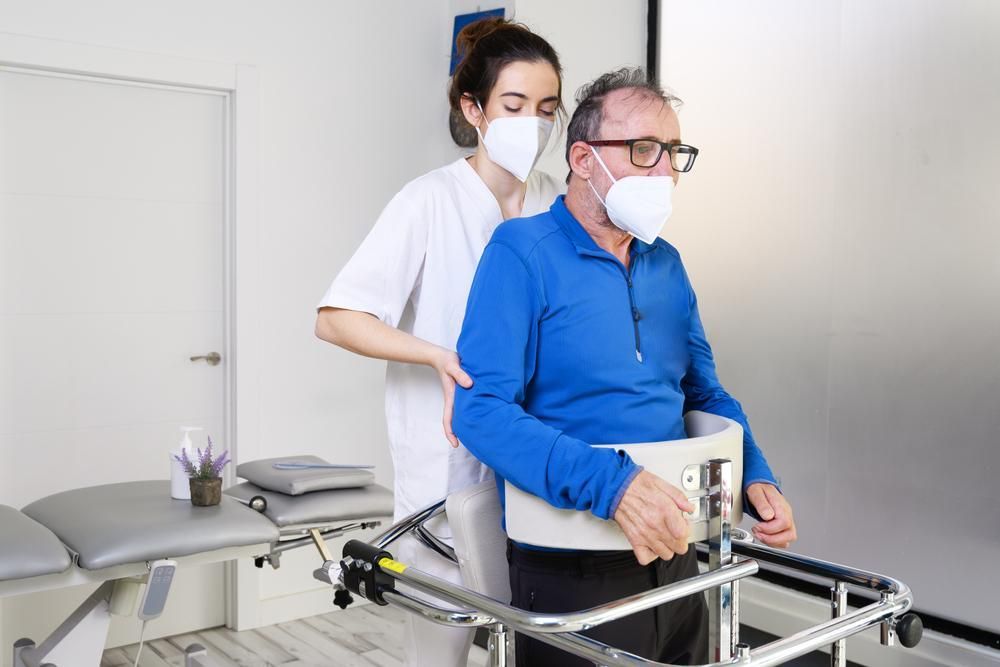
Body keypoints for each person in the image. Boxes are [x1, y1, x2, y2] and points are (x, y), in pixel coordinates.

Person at [452, 67, 798, 665]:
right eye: (644, 151)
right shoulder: (520, 254)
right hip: (573, 561)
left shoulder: (667, 265)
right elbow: (479, 412)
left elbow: (704, 394)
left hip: (676, 547)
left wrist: (755, 474)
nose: (664, 171)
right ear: (584, 159)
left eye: (673, 153)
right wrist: (613, 486)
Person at [314, 18, 565, 667]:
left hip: (535, 467)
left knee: (534, 639)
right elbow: (337, 316)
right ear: (472, 109)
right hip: (445, 469)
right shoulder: (427, 202)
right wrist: (434, 354)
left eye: (546, 108)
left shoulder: (553, 204)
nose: (532, 124)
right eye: (513, 107)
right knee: (440, 648)